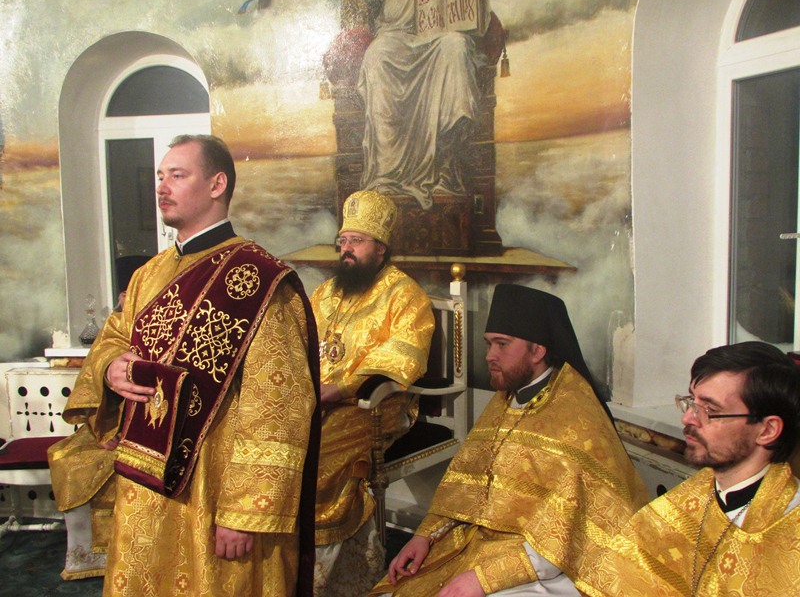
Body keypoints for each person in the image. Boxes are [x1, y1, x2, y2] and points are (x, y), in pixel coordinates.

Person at [83, 134, 320, 596]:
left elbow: (279, 404)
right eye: (160, 176)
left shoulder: (260, 280)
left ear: (216, 184)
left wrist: (246, 511)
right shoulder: (147, 274)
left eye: (177, 175)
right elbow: (114, 337)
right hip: (145, 485)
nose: (162, 186)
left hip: (214, 492)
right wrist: (110, 367)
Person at [372, 284, 649, 596]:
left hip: (547, 566)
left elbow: (562, 539)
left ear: (538, 350)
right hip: (476, 544)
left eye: (502, 344)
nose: (490, 355)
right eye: (489, 344)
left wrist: (482, 579)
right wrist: (424, 536)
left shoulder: (576, 418)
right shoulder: (506, 399)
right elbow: (466, 484)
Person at [586, 342, 800, 597]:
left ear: (767, 430)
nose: (687, 418)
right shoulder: (685, 500)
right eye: (691, 402)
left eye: (710, 410)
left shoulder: (790, 531)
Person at [311, 189, 435, 595]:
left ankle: (326, 575)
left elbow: (403, 355)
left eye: (357, 241)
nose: (346, 249)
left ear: (380, 248)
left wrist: (340, 388)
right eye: (343, 240)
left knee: (315, 453)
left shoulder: (405, 295)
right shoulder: (326, 292)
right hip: (314, 400)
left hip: (375, 405)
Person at [47, 256, 150, 580]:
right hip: (114, 423)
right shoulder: (117, 324)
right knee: (69, 460)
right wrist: (108, 371)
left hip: (157, 427)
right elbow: (97, 367)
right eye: (126, 293)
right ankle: (90, 555)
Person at [358, 0, 493, 208]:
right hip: (396, 33)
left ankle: (446, 169)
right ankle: (387, 173)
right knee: (377, 55)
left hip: (440, 36)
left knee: (456, 46)